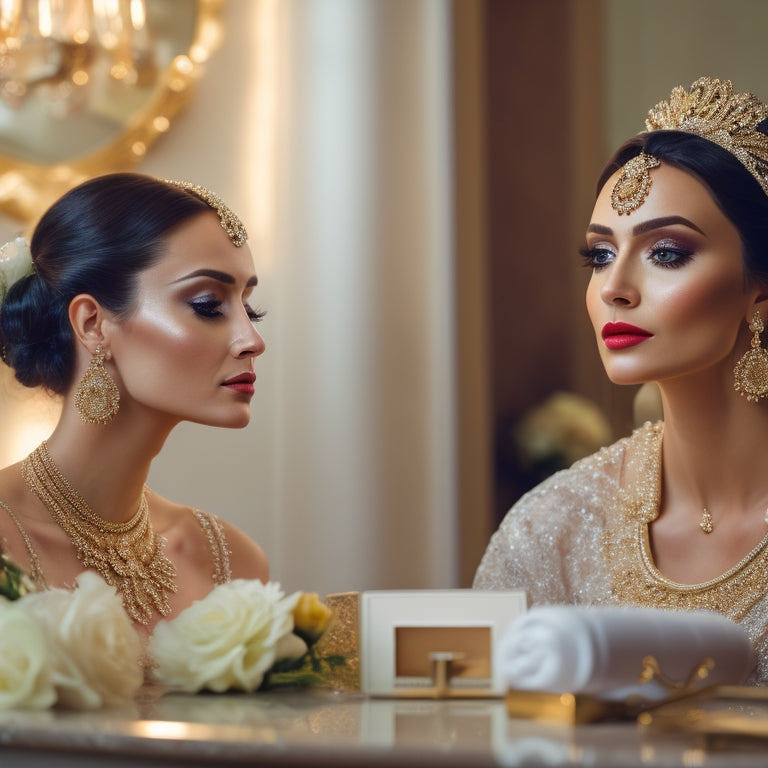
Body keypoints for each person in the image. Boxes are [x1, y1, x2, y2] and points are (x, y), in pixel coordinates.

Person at [474, 76, 768, 682]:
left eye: (666, 253)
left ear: (759, 291)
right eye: (600, 255)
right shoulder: (551, 528)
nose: (614, 288)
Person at [0, 173, 269, 637]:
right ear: (93, 324)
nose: (252, 340)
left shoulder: (231, 562)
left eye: (250, 308)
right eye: (208, 304)